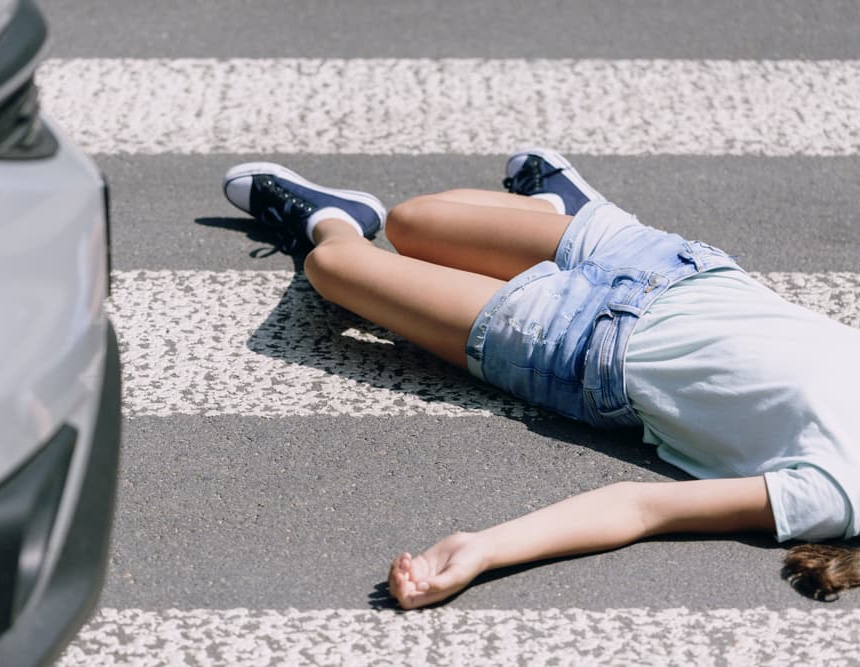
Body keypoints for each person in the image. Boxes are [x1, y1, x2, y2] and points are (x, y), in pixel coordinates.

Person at [221, 149, 860, 608]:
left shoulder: (836, 498)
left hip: (575, 344)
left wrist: (484, 549)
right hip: (674, 267)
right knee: (415, 221)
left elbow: (642, 507)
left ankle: (328, 218)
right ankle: (568, 205)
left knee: (335, 265)